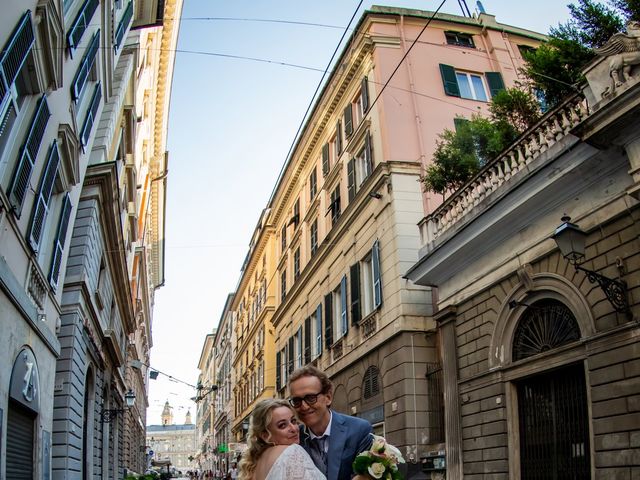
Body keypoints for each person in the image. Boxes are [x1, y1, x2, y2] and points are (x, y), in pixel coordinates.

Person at [288, 366, 373, 480]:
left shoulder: (359, 430)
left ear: (328, 397)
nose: (304, 406)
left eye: (311, 398)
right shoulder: (293, 439)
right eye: (297, 401)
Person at [237, 398, 325, 480]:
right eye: (282, 425)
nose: (294, 429)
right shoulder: (293, 452)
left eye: (293, 421)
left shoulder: (255, 465)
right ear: (265, 435)